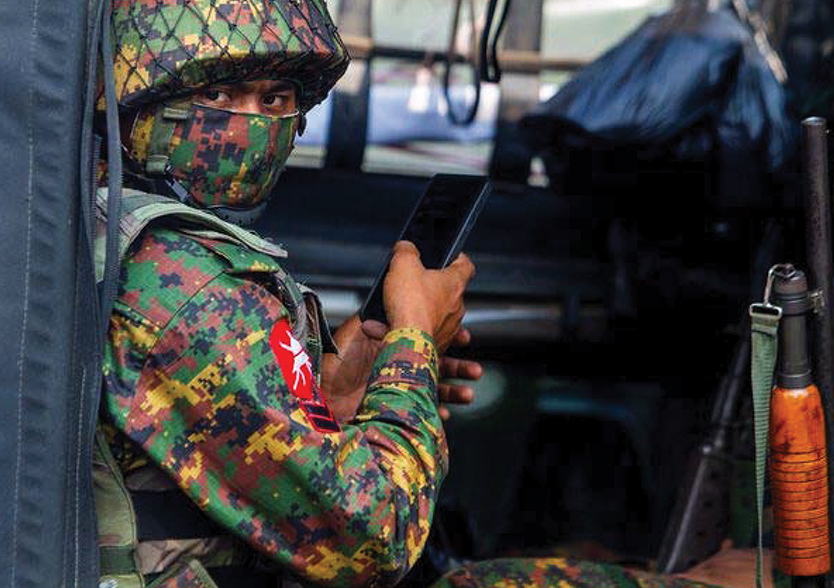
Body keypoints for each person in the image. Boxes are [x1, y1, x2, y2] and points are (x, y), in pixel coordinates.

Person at [94, 1, 749, 587]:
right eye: (231, 91)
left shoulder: (135, 238)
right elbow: (374, 539)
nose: (262, 122)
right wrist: (409, 342)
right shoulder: (182, 280)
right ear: (149, 99)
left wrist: (338, 391)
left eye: (277, 98)